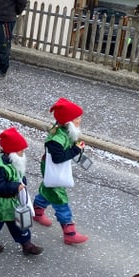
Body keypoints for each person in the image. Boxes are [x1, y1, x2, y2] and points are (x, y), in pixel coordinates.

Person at [33, 98, 89, 245]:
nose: (80, 120)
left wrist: (75, 146)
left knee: (48, 189)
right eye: (77, 118)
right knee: (59, 197)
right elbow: (59, 158)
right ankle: (69, 232)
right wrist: (76, 150)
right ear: (68, 122)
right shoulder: (56, 139)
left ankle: (37, 212)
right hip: (53, 168)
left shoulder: (63, 130)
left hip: (54, 168)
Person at [0, 126, 43, 256]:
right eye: (21, 151)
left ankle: (26, 244)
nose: (23, 153)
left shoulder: (14, 162)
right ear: (11, 152)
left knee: (19, 224)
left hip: (12, 202)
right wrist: (15, 187)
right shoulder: (0, 167)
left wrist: (21, 182)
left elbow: (18, 176)